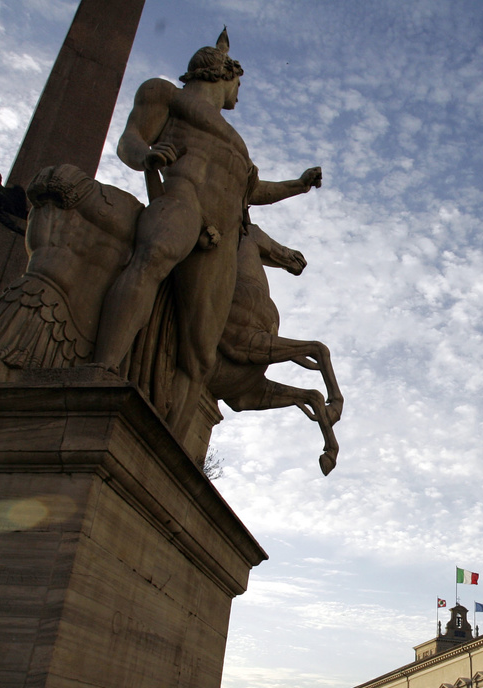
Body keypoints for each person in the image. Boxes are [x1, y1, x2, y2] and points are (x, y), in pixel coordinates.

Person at [92, 28, 322, 441]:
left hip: (221, 244)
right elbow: (130, 140)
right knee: (152, 258)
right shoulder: (165, 94)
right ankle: (100, 371)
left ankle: (164, 447)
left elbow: (253, 191)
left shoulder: (238, 145)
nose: (239, 95)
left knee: (200, 357)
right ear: (225, 74)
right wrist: (146, 156)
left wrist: (299, 185)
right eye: (239, 84)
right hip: (183, 201)